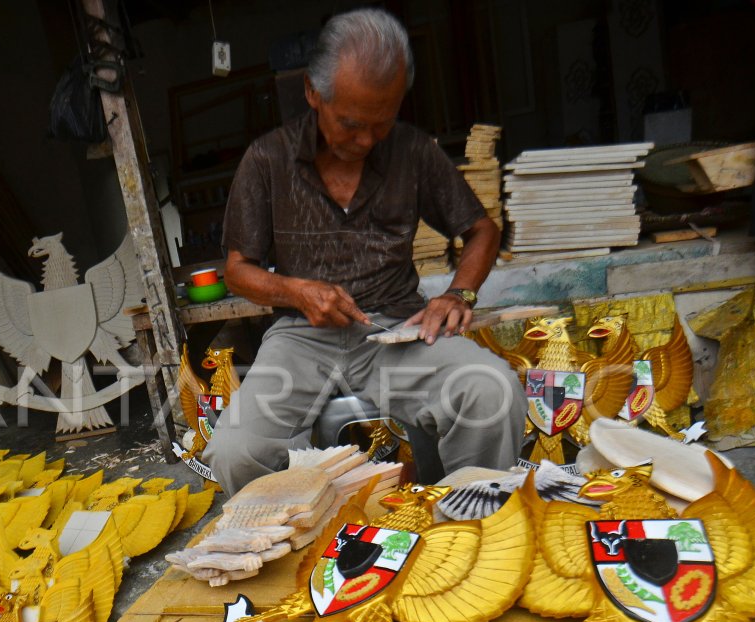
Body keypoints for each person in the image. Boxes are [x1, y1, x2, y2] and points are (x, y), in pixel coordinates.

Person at [204, 8, 525, 495]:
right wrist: (295, 291)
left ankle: (467, 525)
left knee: (492, 391)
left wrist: (460, 295)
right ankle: (304, 537)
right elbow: (237, 272)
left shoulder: (413, 151)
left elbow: (481, 230)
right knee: (235, 449)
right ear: (313, 92)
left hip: (395, 328)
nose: (367, 140)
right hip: (301, 336)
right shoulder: (267, 159)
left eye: (383, 122)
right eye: (351, 124)